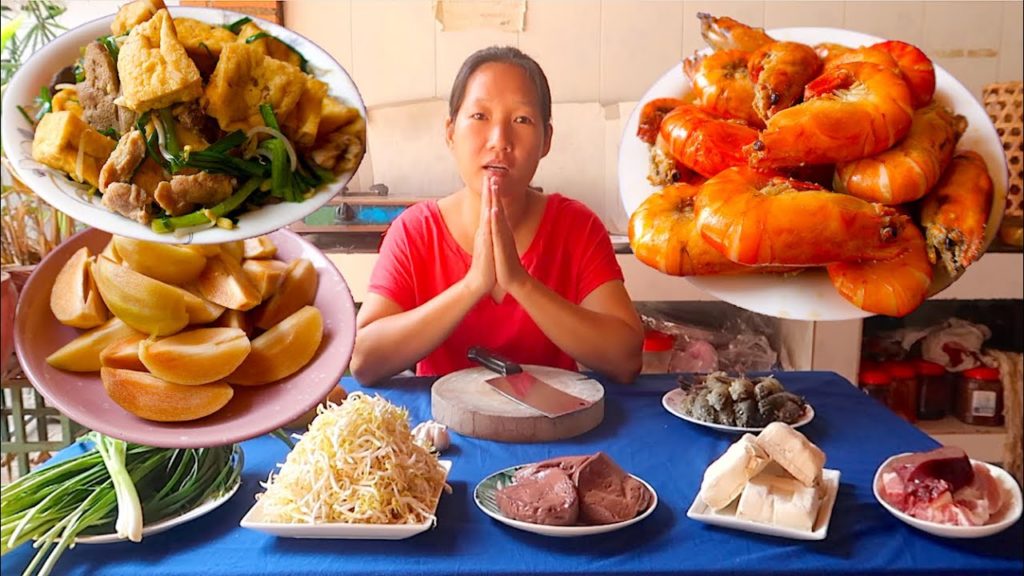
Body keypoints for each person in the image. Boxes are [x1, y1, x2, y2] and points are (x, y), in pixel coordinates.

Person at [349, 46, 643, 385]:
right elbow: (364, 361)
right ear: (450, 132)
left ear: (546, 140)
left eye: (521, 120)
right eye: (479, 117)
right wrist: (473, 285)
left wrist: (520, 282)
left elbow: (626, 359)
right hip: (443, 433)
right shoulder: (415, 231)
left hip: (555, 430)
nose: (499, 140)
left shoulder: (576, 227)